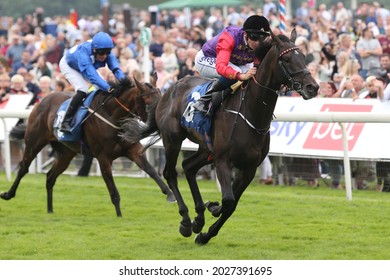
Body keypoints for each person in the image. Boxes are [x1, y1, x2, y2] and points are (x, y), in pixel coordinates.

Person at [193, 15, 271, 113]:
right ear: (245, 34)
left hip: (234, 62)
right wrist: (240, 76)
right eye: (254, 37)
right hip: (207, 58)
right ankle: (204, 100)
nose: (257, 43)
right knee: (238, 72)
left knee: (252, 74)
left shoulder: (261, 44)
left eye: (262, 38)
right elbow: (221, 67)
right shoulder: (230, 37)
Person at [58, 31, 126, 132]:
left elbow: (116, 69)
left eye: (107, 52)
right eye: (101, 53)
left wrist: (124, 82)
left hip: (88, 65)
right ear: (94, 49)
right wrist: (109, 88)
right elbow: (93, 77)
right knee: (83, 90)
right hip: (70, 65)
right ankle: (65, 121)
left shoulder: (105, 51)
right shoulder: (84, 54)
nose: (104, 55)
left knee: (102, 87)